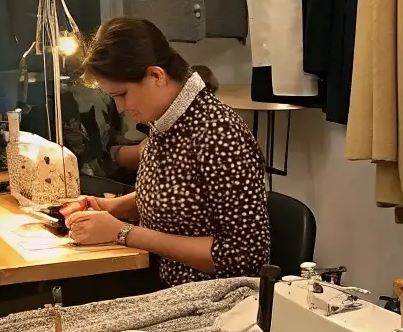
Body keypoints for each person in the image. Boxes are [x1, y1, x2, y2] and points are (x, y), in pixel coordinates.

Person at [61, 18, 270, 286]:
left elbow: (245, 255)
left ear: (157, 76)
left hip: (214, 295)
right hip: (167, 285)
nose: (121, 107)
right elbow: (177, 193)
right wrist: (111, 208)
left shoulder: (218, 133)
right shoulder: (166, 120)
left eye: (122, 94)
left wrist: (123, 233)